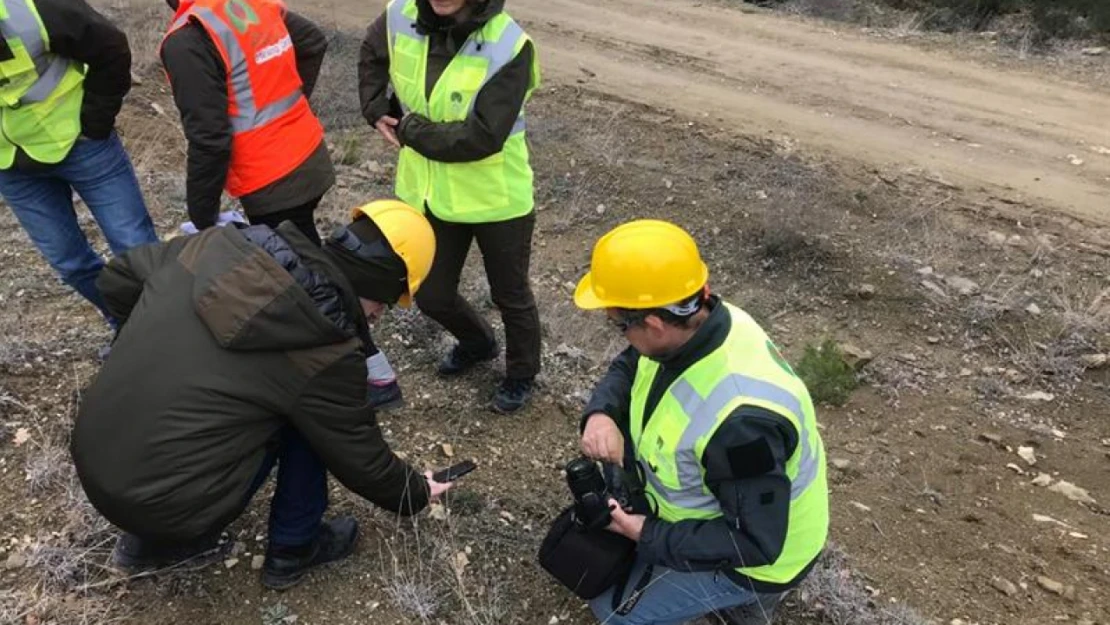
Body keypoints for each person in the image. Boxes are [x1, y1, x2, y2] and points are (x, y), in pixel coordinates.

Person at [71, 200, 453, 590]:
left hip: (93, 455)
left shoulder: (215, 244)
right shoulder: (325, 349)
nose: (378, 317)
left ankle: (145, 541)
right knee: (310, 427)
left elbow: (116, 280)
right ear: (379, 284)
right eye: (386, 303)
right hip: (168, 505)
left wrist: (156, 331)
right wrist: (417, 491)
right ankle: (294, 547)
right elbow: (358, 455)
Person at [573, 220, 830, 625]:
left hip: (757, 562)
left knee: (613, 613)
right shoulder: (703, 323)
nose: (620, 335)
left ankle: (742, 607)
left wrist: (645, 533)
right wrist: (602, 411)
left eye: (619, 323)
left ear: (654, 324)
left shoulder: (741, 426)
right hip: (714, 514)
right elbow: (632, 362)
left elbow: (755, 542)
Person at [160, 0, 405, 409]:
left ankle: (371, 372)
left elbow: (209, 139)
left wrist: (202, 217)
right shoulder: (245, 4)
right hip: (307, 151)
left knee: (307, 279)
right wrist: (290, 106)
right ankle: (363, 362)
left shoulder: (187, 38)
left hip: (271, 178)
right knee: (310, 260)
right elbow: (312, 42)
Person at [359, 0, 542, 414]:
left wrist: (407, 129)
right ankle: (478, 343)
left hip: (497, 197)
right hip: (431, 193)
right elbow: (371, 51)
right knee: (432, 294)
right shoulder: (399, 14)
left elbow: (483, 136)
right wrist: (374, 109)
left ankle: (521, 374)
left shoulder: (510, 45)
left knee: (510, 295)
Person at [0, 0, 158, 332]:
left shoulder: (30, 8)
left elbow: (111, 47)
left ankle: (167, 330)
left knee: (136, 249)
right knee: (70, 263)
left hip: (81, 145)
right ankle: (129, 327)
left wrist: (94, 124)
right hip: (11, 165)